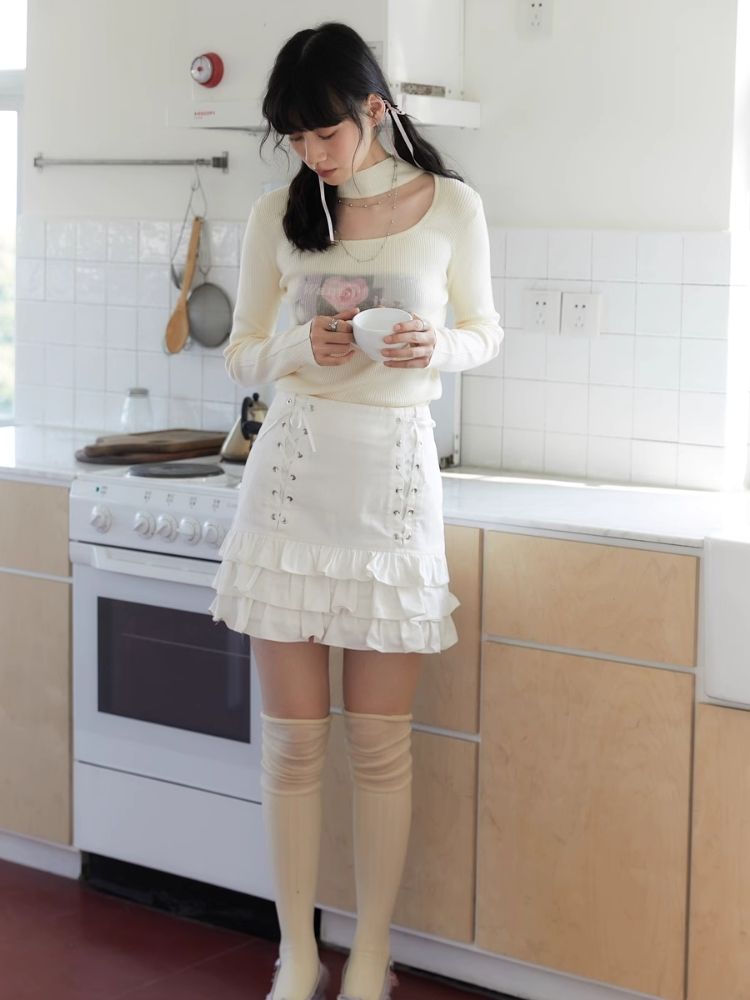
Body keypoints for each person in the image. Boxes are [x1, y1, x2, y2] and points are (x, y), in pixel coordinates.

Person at [210, 20, 502, 1000]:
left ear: (374, 110)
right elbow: (242, 352)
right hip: (291, 483)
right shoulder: (278, 214)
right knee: (295, 745)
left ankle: (371, 952)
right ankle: (296, 951)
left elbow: (485, 331)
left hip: (394, 486)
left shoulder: (452, 206)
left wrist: (436, 346)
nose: (312, 155)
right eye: (294, 139)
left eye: (324, 134)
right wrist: (299, 350)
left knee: (378, 747)